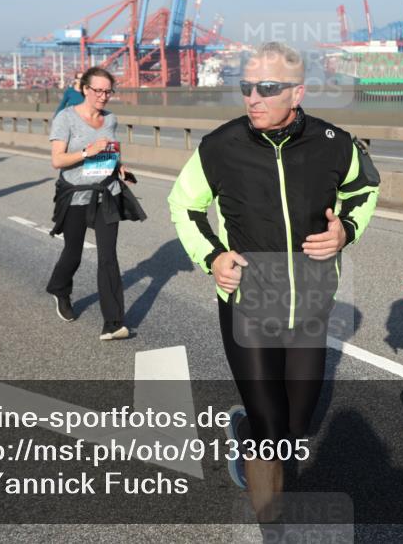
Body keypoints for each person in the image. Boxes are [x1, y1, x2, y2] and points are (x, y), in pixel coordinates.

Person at [168, 42, 379, 521]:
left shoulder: (334, 143)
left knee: (297, 424)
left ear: (297, 92)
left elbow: (364, 189)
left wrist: (345, 229)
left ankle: (244, 433)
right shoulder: (221, 146)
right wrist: (212, 256)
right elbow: (184, 205)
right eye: (246, 87)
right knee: (271, 425)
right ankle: (272, 519)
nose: (253, 98)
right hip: (247, 304)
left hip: (309, 304)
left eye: (266, 88)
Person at [46, 66, 144, 336]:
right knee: (73, 253)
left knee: (108, 258)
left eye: (108, 91)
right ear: (85, 90)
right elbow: (57, 160)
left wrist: (120, 167)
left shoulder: (111, 119)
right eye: (98, 90)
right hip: (75, 195)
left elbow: (111, 149)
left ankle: (113, 323)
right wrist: (89, 151)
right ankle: (59, 288)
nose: (103, 96)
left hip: (106, 193)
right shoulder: (66, 119)